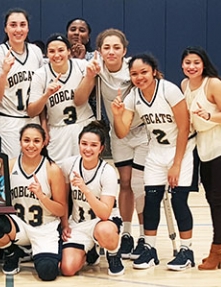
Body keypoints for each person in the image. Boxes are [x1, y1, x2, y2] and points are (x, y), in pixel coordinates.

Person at [111, 53, 197, 271]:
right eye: (134, 74)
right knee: (151, 200)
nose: (139, 77)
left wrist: (177, 164)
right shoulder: (133, 97)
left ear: (154, 72)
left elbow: (184, 128)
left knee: (178, 201)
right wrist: (117, 115)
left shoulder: (169, 90)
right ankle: (150, 249)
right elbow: (122, 133)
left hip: (181, 150)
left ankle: (186, 251)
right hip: (156, 152)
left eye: (143, 72)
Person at [75, 28, 147, 260]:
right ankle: (126, 233)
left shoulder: (133, 68)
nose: (111, 51)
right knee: (124, 183)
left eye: (116, 47)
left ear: (124, 51)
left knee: (139, 184)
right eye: (106, 47)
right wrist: (89, 75)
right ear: (99, 51)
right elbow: (79, 98)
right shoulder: (98, 69)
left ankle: (145, 236)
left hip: (142, 130)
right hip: (119, 133)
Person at [181, 46, 221, 270]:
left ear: (203, 64)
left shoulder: (213, 83)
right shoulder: (184, 85)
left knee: (219, 198)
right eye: (188, 62)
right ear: (182, 65)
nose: (192, 67)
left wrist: (208, 115)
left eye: (196, 62)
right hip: (204, 145)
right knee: (211, 197)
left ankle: (217, 249)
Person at [0, 123, 66, 281]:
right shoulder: (9, 165)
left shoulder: (52, 169)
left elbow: (61, 210)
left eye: (36, 141)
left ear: (43, 143)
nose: (31, 145)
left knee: (48, 272)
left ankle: (36, 251)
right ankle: (12, 253)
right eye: (26, 140)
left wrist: (42, 196)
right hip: (18, 225)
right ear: (20, 142)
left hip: (44, 227)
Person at [60, 121, 123, 276]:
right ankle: (90, 252)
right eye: (84, 144)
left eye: (93, 145)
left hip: (102, 222)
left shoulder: (107, 172)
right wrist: (65, 224)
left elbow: (104, 214)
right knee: (67, 269)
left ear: (101, 148)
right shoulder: (69, 164)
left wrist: (84, 189)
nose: (88, 149)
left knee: (105, 230)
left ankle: (113, 254)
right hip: (78, 223)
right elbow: (63, 199)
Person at [28, 33, 94, 164]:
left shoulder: (81, 66)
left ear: (69, 51)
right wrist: (46, 95)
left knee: (85, 173)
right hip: (57, 129)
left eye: (61, 50)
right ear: (46, 54)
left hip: (83, 124)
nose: (56, 55)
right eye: (52, 51)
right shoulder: (40, 75)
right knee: (59, 177)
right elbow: (31, 111)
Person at [0, 8, 44, 158]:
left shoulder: (36, 52)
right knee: (10, 170)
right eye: (13, 25)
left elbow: (41, 92)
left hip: (33, 120)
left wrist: (44, 123)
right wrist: (4, 72)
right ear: (6, 28)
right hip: (7, 120)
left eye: (22, 25)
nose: (18, 29)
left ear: (28, 28)